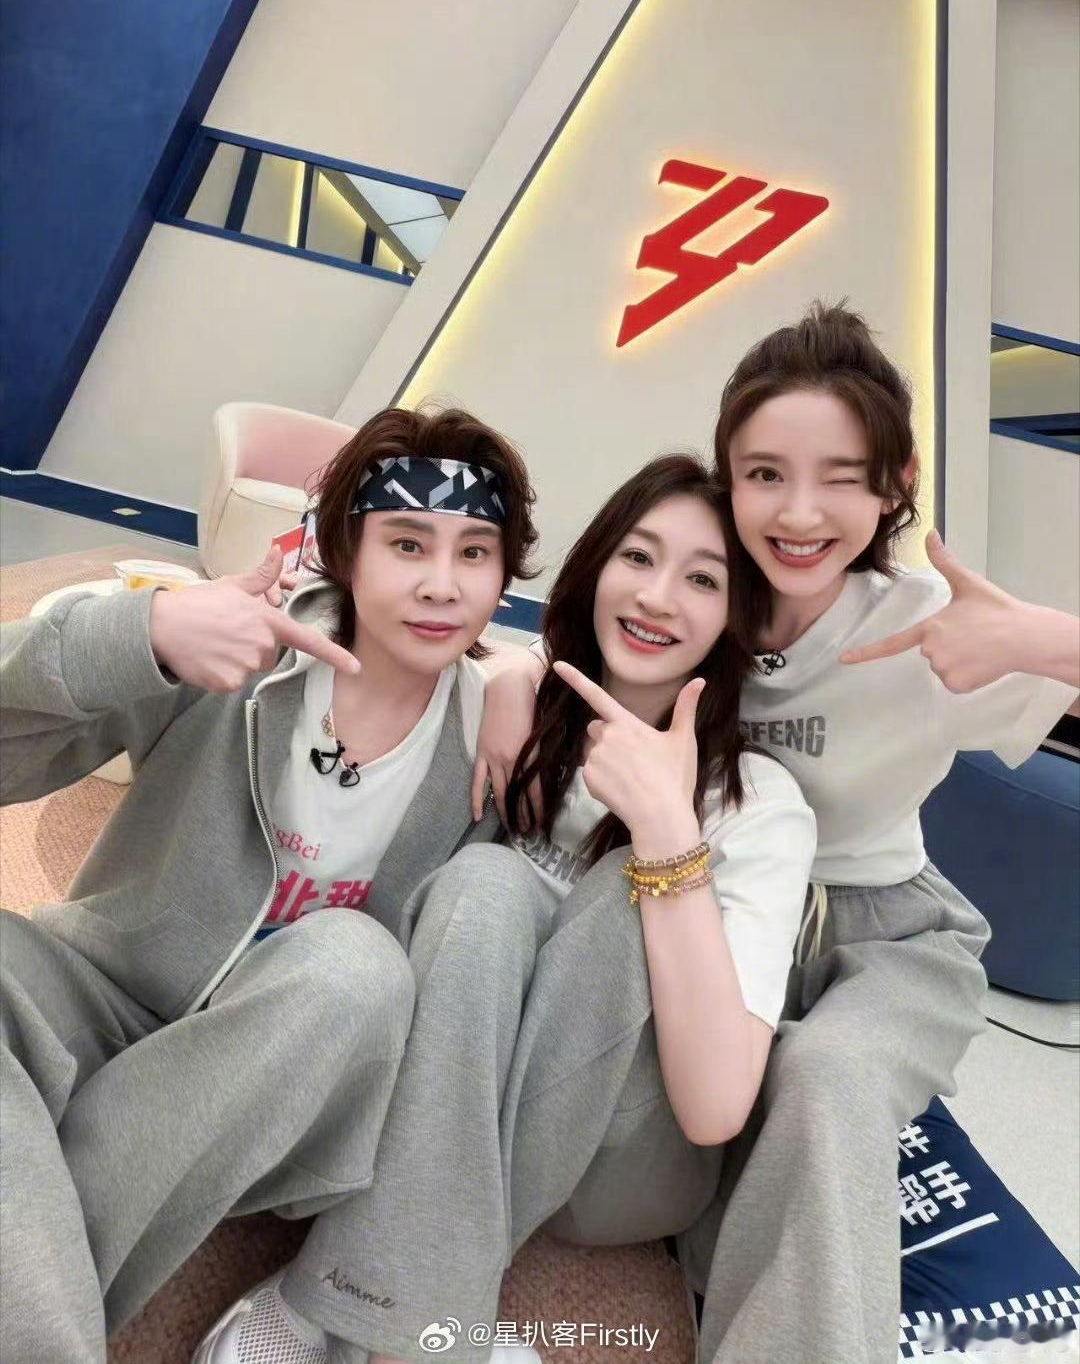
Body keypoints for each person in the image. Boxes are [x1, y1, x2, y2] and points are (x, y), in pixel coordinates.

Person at [197, 453, 816, 1364]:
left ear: (737, 615)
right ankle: (430, 1319)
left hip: (616, 1155)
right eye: (638, 557)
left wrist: (665, 833)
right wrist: (516, 678)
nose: (657, 598)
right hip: (454, 1090)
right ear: (596, 565)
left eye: (702, 579)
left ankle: (339, 1300)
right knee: (485, 882)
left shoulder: (758, 805)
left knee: (619, 899)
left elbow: (715, 1108)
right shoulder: (519, 712)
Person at [0, 402, 537, 1364]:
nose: (442, 583)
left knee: (356, 965)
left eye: (475, 552)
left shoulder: (494, 746)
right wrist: (145, 633)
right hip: (107, 990)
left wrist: (523, 675)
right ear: (348, 549)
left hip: (279, 1071)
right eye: (407, 543)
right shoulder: (237, 651)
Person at [678, 301, 1079, 1364]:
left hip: (886, 936)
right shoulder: (694, 593)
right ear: (726, 477)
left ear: (896, 485)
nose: (798, 512)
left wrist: (1042, 638)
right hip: (708, 912)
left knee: (828, 1083)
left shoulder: (930, 623)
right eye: (764, 474)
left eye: (842, 477)